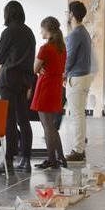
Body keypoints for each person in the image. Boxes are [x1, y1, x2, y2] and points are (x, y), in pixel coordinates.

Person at [0, 1, 36, 176]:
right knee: (23, 120)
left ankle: (8, 161)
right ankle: (26, 160)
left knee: (9, 121)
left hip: (8, 80)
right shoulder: (29, 32)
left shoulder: (8, 32)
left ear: (7, 14)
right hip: (24, 81)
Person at [31, 17, 68, 170]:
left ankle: (52, 159)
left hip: (45, 88)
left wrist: (40, 68)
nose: (40, 32)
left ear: (47, 30)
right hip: (56, 87)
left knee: (47, 127)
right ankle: (61, 157)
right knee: (51, 126)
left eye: (42, 29)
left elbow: (34, 68)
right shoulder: (62, 48)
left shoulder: (45, 48)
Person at [64, 0, 93, 163]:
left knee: (77, 116)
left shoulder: (75, 34)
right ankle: (80, 147)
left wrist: (63, 74)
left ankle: (78, 150)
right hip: (83, 77)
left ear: (71, 15)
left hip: (77, 78)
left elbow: (69, 58)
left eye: (68, 13)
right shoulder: (84, 32)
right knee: (79, 114)